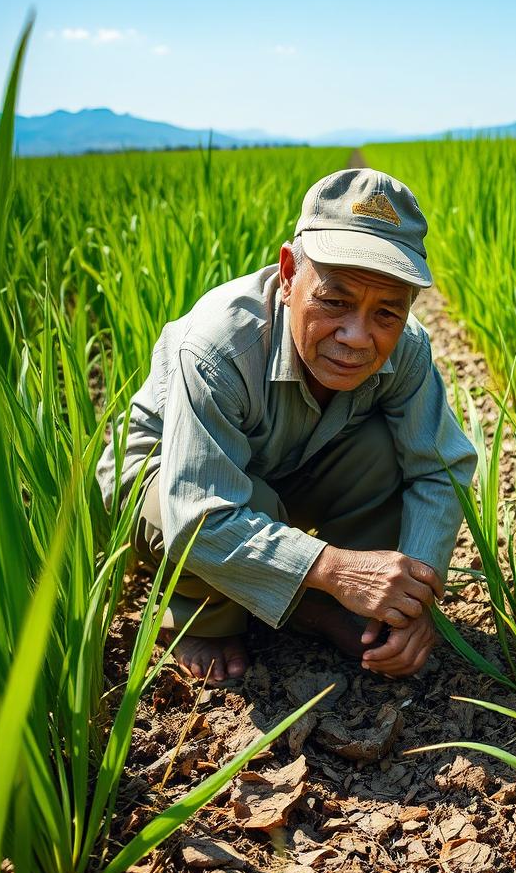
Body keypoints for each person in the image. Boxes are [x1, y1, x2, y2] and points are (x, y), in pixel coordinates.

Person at [96, 168, 477, 684]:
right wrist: (335, 569)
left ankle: (332, 600)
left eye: (386, 312)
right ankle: (217, 615)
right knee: (220, 504)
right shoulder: (218, 346)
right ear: (290, 273)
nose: (357, 336)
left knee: (383, 451)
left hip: (290, 466)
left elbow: (439, 471)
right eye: (335, 301)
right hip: (169, 476)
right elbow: (198, 513)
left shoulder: (406, 349)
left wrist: (412, 603)